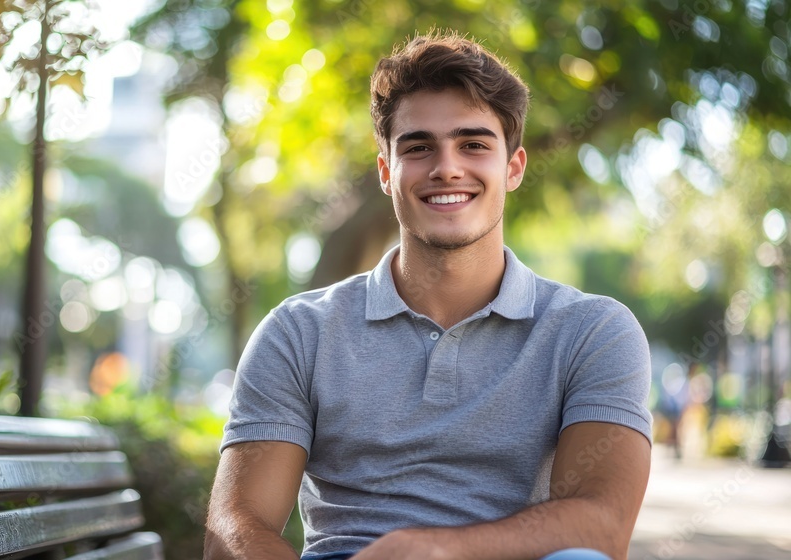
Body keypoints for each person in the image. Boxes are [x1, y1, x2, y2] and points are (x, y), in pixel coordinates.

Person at [204, 30, 652, 560]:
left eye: (474, 144)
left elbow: (602, 526)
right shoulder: (299, 332)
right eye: (418, 147)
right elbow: (235, 527)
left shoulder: (592, 331)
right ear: (386, 172)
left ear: (513, 167)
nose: (446, 167)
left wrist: (439, 549)